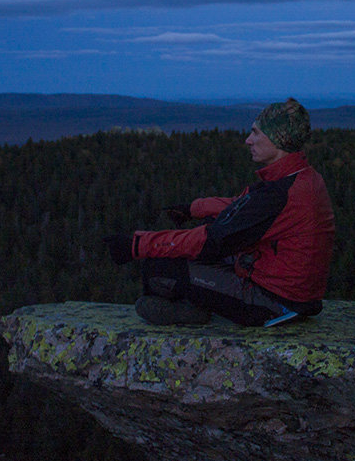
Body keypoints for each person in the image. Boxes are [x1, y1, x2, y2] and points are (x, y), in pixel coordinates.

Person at [102, 98, 335, 326]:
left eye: (256, 133)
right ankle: (190, 304)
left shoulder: (279, 192)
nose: (248, 140)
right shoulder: (301, 179)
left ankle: (192, 312)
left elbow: (212, 240)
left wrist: (137, 245)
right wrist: (192, 208)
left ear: (277, 139)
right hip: (294, 293)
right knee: (193, 251)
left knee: (159, 268)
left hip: (273, 301)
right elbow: (242, 206)